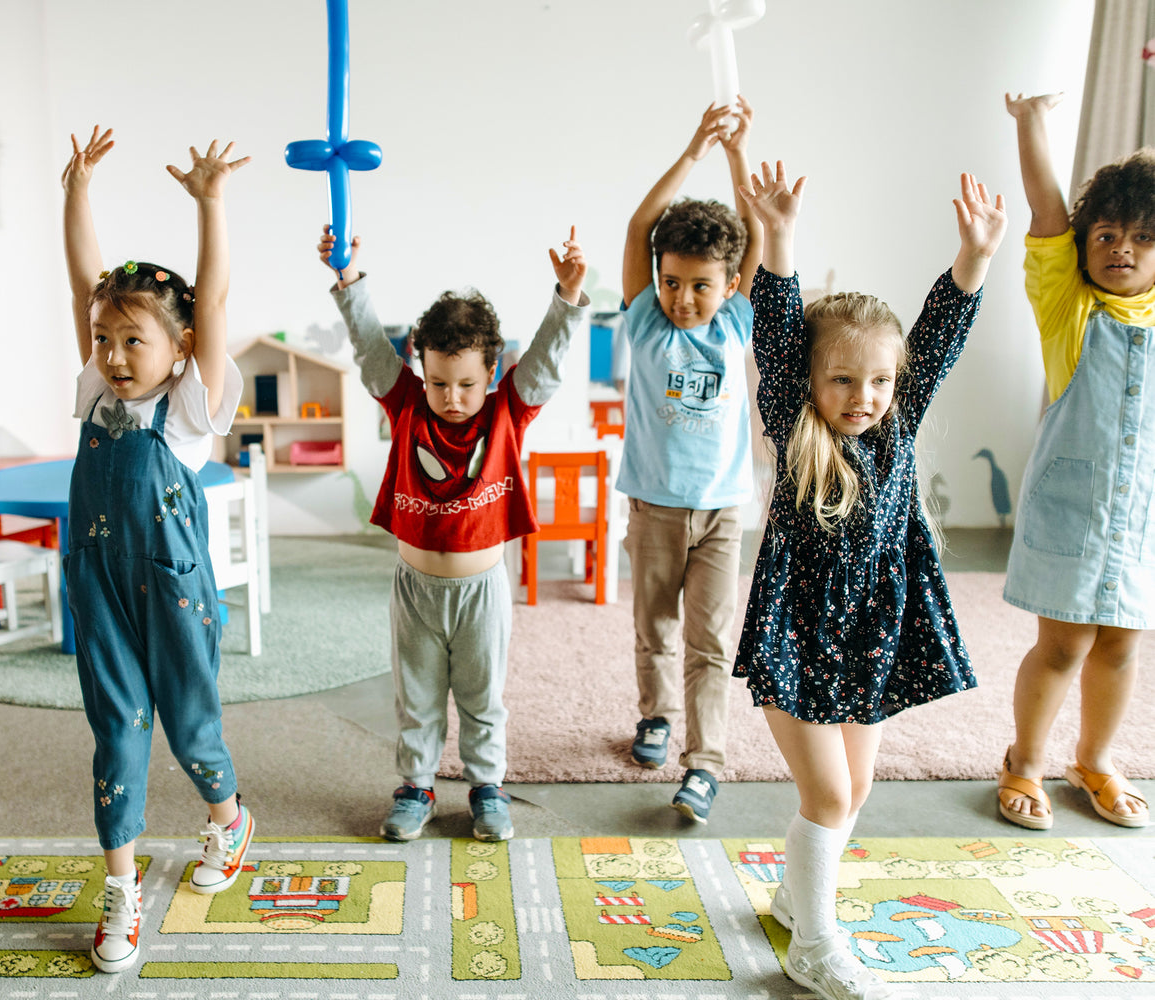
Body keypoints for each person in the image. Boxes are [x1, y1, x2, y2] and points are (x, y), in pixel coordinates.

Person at [736, 161, 1005, 999]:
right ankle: (814, 944)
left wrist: (976, 258)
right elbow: (777, 330)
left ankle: (792, 897)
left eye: (881, 380)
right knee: (826, 790)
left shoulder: (902, 415)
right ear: (811, 381)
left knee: (855, 788)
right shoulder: (792, 413)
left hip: (876, 629)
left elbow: (941, 332)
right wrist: (777, 238)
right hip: (800, 628)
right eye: (844, 378)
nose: (865, 395)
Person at [318, 221, 589, 844]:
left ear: (492, 373)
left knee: (482, 699)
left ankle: (487, 787)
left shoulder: (507, 411)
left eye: (467, 383)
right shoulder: (406, 402)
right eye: (439, 381)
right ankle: (415, 787)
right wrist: (348, 279)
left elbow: (545, 366)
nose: (452, 397)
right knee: (415, 700)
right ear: (421, 368)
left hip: (482, 591)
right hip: (416, 588)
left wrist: (568, 299)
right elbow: (368, 350)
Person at [61, 128, 253, 974]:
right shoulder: (95, 390)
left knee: (190, 724)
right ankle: (122, 887)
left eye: (134, 341)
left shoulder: (184, 413)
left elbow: (208, 303)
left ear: (177, 353)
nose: (113, 354)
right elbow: (83, 285)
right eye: (106, 339)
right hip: (99, 585)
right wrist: (76, 191)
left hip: (172, 588)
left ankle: (227, 818)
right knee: (118, 729)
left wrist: (210, 204)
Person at [997, 92, 1155, 831]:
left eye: (1142, 238)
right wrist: (1032, 123)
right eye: (1109, 235)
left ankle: (1093, 759)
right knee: (1062, 646)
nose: (1122, 248)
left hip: (1140, 520)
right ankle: (1024, 762)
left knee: (1120, 648)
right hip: (1071, 516)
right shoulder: (1070, 307)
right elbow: (1049, 213)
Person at [618, 99, 762, 822]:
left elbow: (755, 235)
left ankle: (704, 763)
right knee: (654, 628)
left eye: (700, 284)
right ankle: (656, 716)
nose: (681, 297)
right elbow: (641, 227)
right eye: (672, 281)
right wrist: (694, 149)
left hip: (722, 513)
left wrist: (738, 156)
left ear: (730, 285)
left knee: (710, 640)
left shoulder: (737, 319)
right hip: (653, 507)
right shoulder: (645, 315)